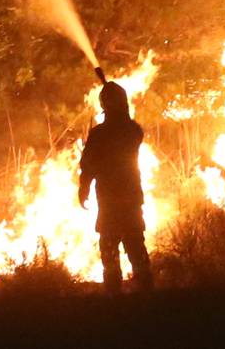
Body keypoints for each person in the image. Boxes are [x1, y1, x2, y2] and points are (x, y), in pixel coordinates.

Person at [78, 81, 154, 294]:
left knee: (111, 251)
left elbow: (88, 165)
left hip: (110, 200)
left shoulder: (100, 134)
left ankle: (114, 295)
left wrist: (83, 187)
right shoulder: (132, 130)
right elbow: (130, 131)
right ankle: (147, 295)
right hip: (130, 199)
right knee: (135, 246)